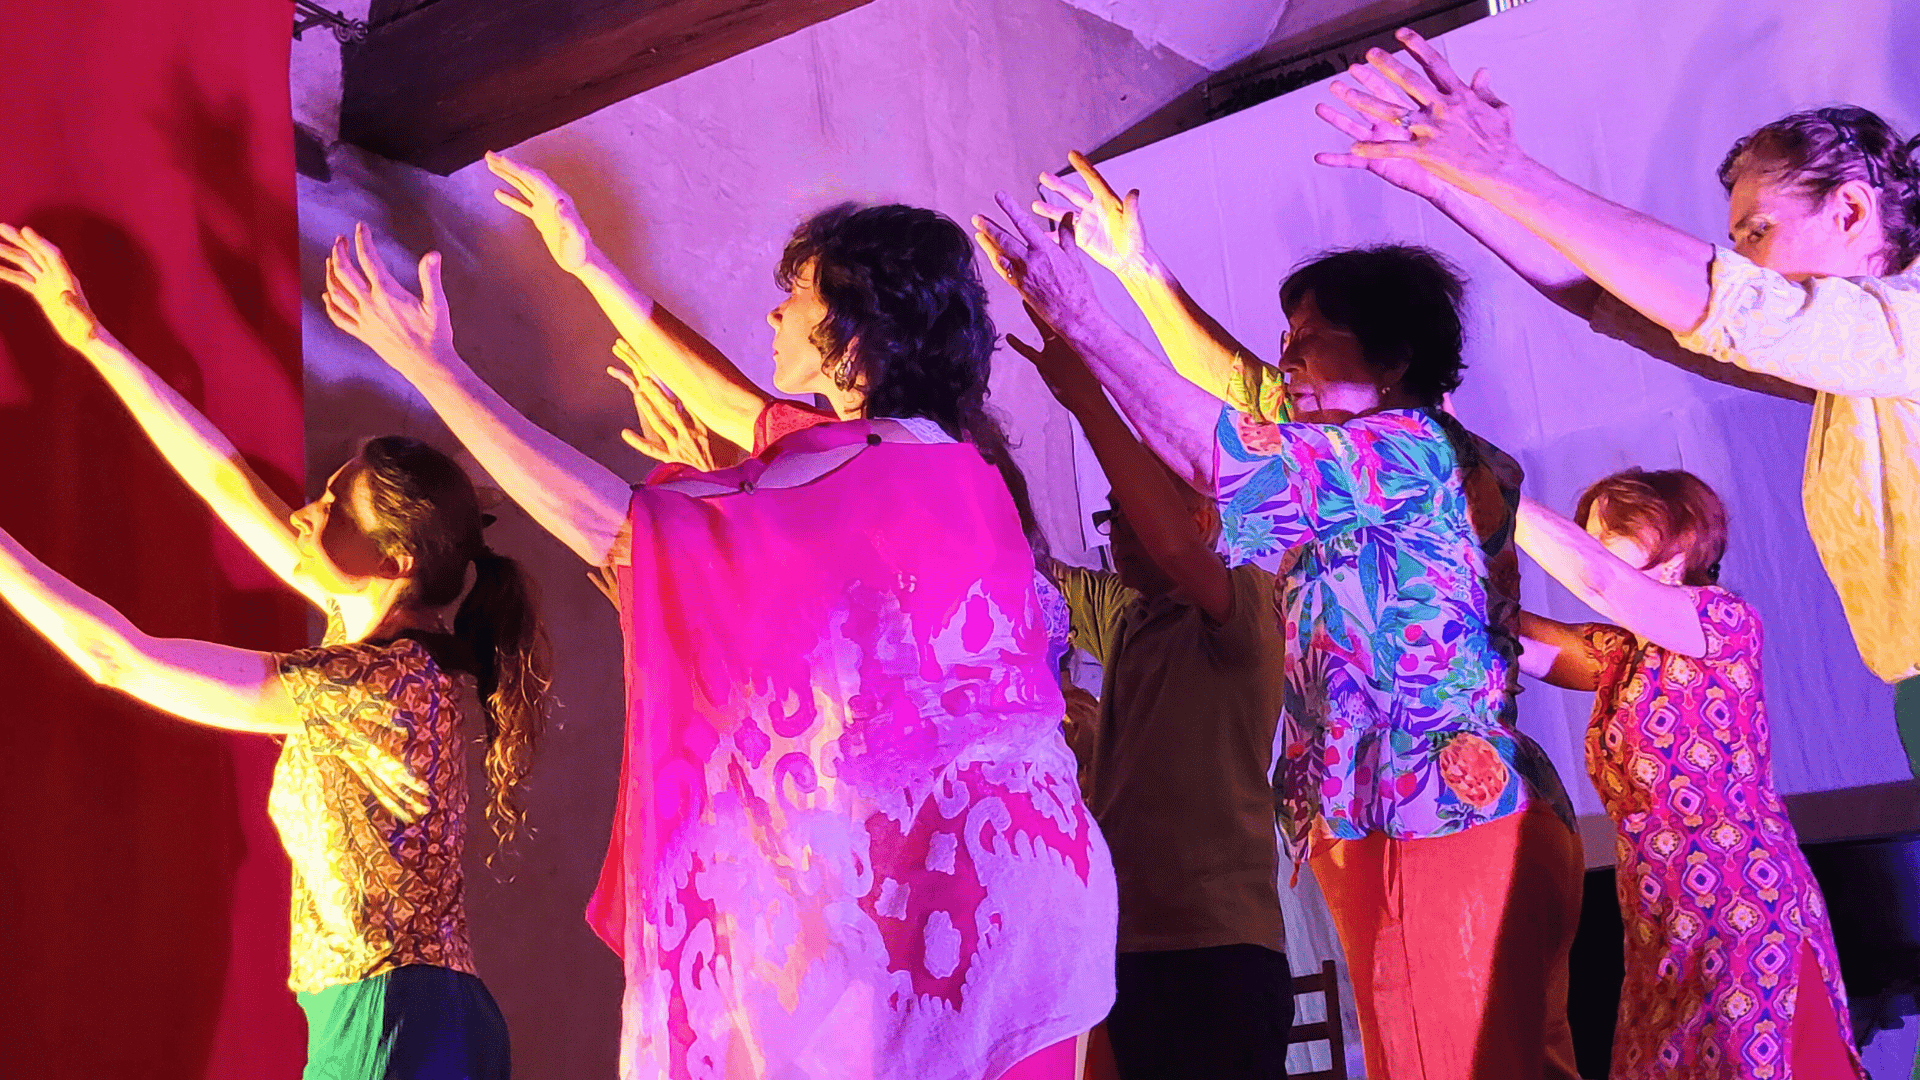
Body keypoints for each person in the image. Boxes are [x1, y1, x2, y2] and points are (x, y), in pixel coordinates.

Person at [318, 175, 1116, 1080]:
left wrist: (437, 371)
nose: (774, 316)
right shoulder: (943, 464)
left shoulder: (858, 472)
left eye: (795, 297)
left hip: (948, 912)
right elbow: (736, 407)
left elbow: (609, 522)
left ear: (849, 338)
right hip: (1036, 899)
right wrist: (588, 266)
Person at [974, 172, 1582, 1079]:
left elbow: (1219, 455)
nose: (1288, 364)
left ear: (1394, 360)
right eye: (1286, 344)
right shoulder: (1354, 475)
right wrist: (1137, 276)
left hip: (1445, 816)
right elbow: (1230, 421)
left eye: (1311, 344)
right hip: (1392, 820)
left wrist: (1085, 325)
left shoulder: (1414, 451)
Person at [0, 224, 545, 1080]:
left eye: (332, 507)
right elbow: (227, 482)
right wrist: (94, 339)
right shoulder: (389, 638)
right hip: (409, 1012)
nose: (303, 512)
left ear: (395, 561)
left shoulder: (368, 681)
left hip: (392, 1019)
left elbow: (121, 660)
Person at [1316, 28, 1920, 771]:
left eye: (1759, 233)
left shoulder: (1906, 327)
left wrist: (1504, 168)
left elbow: (1722, 304)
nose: (1748, 263)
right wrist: (1452, 184)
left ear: (1853, 212)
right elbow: (1619, 301)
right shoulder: (1861, 364)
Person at [1005, 314, 1292, 1078]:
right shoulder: (1133, 622)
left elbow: (1171, 548)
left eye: (1134, 518)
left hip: (1218, 944)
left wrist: (1087, 398)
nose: (1121, 538)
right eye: (1113, 521)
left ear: (1201, 519)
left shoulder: (1241, 607)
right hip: (1127, 945)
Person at [1514, 467, 1863, 1079]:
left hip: (1742, 907)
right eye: (1590, 529)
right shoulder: (1620, 651)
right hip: (1661, 917)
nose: (1595, 542)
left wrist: (1484, 478)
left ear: (1679, 537)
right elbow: (1509, 634)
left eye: (1613, 527)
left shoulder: (1723, 622)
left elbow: (1598, 578)